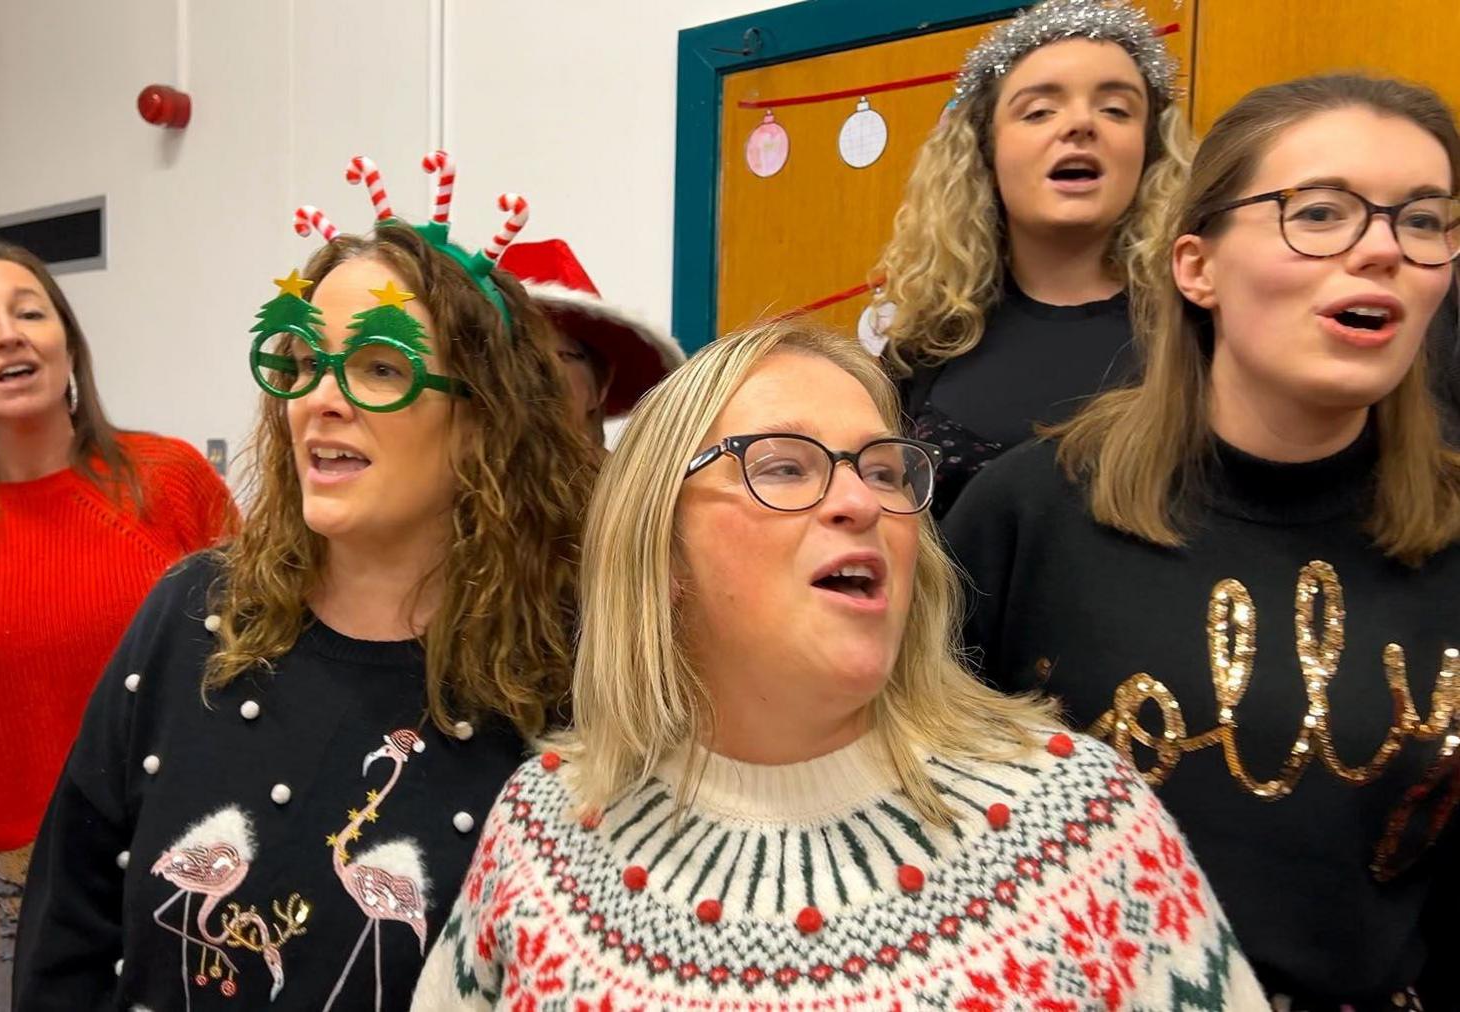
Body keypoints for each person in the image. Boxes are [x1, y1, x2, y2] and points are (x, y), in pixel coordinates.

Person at [415, 319, 1264, 1009]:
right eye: (785, 466)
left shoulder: (1084, 831)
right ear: (661, 550)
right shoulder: (547, 830)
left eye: (885, 470)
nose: (860, 502)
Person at [13, 158, 600, 1010]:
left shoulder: (569, 663)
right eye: (303, 362)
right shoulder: (190, 616)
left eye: (380, 368)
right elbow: (68, 926)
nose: (319, 399)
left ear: (483, 422)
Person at [943, 74, 1460, 1009]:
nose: (1382, 248)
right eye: (1321, 211)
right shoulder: (1032, 509)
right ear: (1198, 267)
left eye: (1422, 221)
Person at [0, 238, 234, 1001]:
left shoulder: (167, 482)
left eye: (30, 311)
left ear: (68, 343)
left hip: (168, 877)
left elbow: (258, 658)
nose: (8, 334)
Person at [874, 0, 1192, 517]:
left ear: (1151, 149)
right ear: (985, 149)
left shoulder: (1206, 334)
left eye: (1116, 109)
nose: (1081, 125)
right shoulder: (925, 348)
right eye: (1039, 111)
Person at [498, 237, 684, 446]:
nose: (536, 372)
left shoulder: (631, 479)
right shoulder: (461, 474)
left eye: (561, 355)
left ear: (600, 384)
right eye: (518, 354)